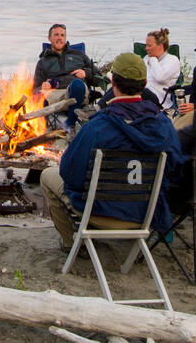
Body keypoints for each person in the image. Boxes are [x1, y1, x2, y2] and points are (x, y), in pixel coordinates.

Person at [40, 53, 182, 251]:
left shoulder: (97, 127)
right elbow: (175, 172)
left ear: (113, 82)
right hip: (147, 212)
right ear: (145, 83)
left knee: (48, 176)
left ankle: (71, 244)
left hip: (101, 212)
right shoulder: (164, 126)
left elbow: (70, 174)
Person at [33, 24, 97, 130]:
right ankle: (40, 129)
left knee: (77, 84)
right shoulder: (43, 61)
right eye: (56, 35)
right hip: (54, 94)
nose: (59, 38)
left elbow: (98, 76)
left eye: (62, 35)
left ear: (65, 38)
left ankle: (70, 125)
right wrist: (42, 86)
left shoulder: (79, 55)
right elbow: (35, 88)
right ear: (49, 38)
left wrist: (86, 73)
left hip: (77, 92)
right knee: (39, 95)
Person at [144, 28, 181, 108]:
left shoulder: (172, 60)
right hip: (142, 94)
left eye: (149, 45)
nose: (146, 48)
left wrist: (153, 60)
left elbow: (160, 78)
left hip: (160, 99)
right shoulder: (146, 58)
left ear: (160, 46)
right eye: (146, 45)